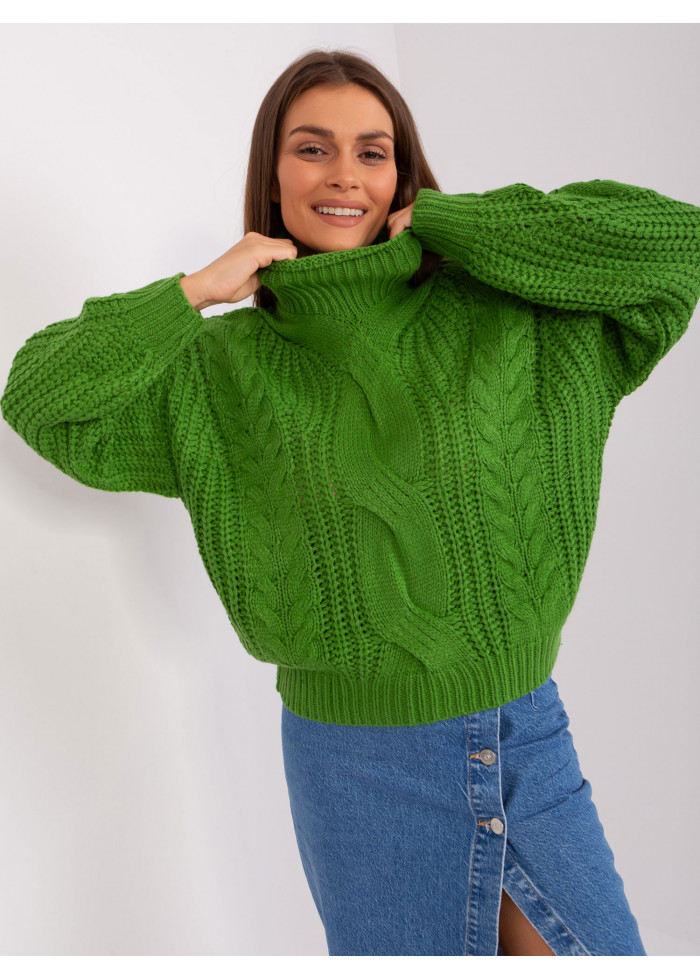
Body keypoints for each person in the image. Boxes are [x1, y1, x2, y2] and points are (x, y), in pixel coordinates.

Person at [2, 47, 700, 957]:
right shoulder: (218, 370)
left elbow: (673, 245)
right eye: (312, 148)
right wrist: (193, 292)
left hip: (526, 734)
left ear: (401, 176)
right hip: (354, 765)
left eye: (373, 152)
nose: (343, 174)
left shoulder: (509, 312)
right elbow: (40, 395)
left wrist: (448, 220)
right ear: (272, 174)